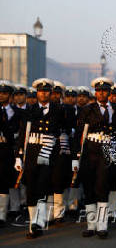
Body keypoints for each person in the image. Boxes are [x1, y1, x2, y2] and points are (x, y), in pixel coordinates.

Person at [73, 77, 116, 239]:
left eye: (104, 91)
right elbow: (79, 133)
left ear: (109, 93)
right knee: (89, 187)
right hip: (90, 151)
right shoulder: (87, 109)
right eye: (99, 91)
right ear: (95, 93)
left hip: (107, 151)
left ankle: (102, 225)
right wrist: (75, 156)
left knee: (102, 187)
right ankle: (91, 225)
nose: (101, 94)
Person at [15, 78, 70, 239]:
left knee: (42, 187)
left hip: (49, 154)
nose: (43, 94)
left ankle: (38, 222)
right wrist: (18, 156)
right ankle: (34, 223)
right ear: (37, 93)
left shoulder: (58, 110)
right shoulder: (29, 110)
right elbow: (23, 135)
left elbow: (64, 132)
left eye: (46, 91)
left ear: (51, 93)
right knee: (31, 188)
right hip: (32, 153)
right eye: (40, 91)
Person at [0, 81, 22, 227]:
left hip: (9, 151)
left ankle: (2, 215)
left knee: (4, 181)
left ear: (10, 96)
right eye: (0, 93)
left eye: (5, 93)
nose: (2, 96)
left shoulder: (17, 112)